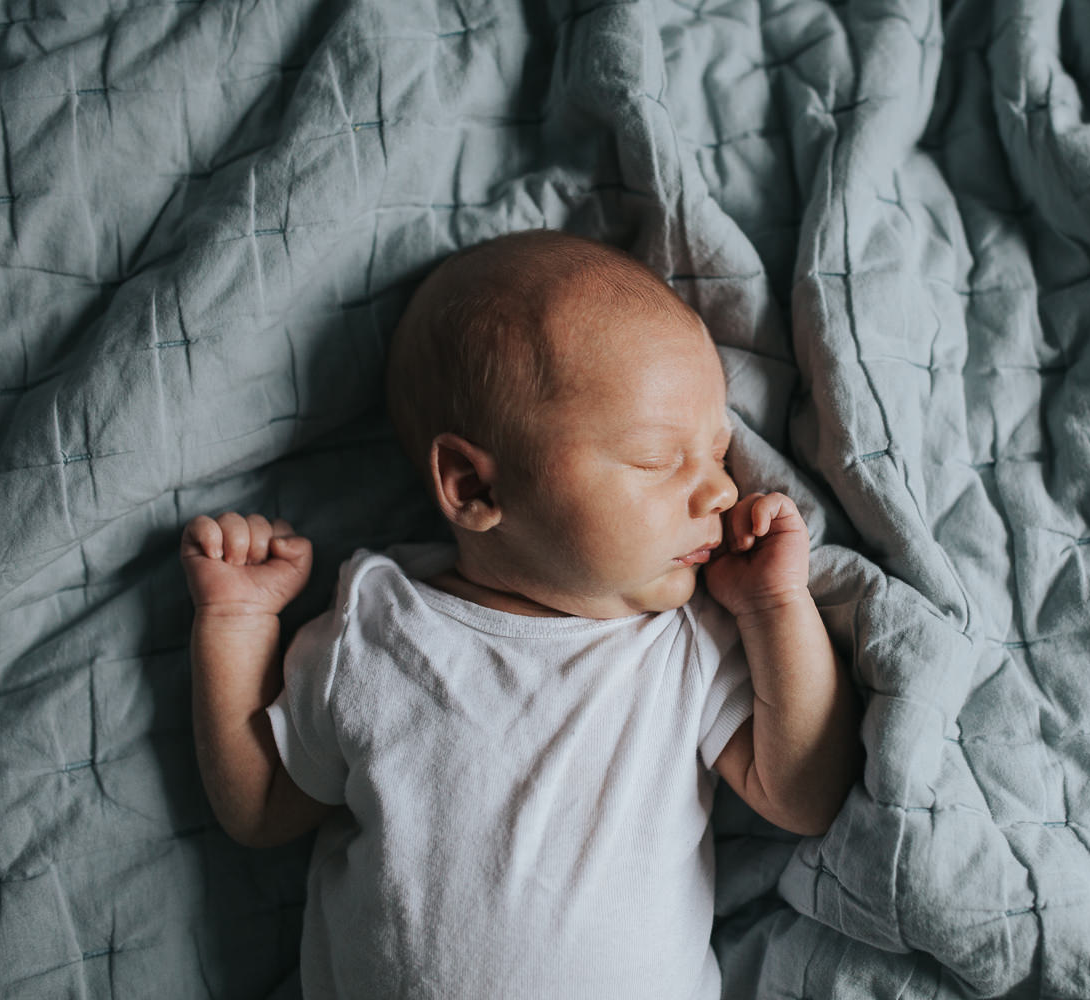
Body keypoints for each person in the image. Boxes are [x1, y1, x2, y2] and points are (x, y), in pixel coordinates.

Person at [179, 229, 861, 998]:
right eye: (655, 459)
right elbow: (264, 804)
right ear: (473, 487)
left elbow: (804, 794)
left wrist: (776, 605)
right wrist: (234, 625)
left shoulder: (683, 642)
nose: (720, 492)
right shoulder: (375, 630)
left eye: (716, 452)